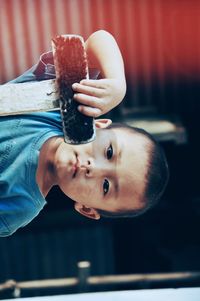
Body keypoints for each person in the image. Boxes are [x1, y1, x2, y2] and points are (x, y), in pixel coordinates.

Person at [0, 30, 169, 237]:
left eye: (106, 186)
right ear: (99, 125)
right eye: (109, 152)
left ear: (87, 209)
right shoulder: (63, 101)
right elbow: (98, 40)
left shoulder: (20, 206)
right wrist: (118, 85)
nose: (93, 168)